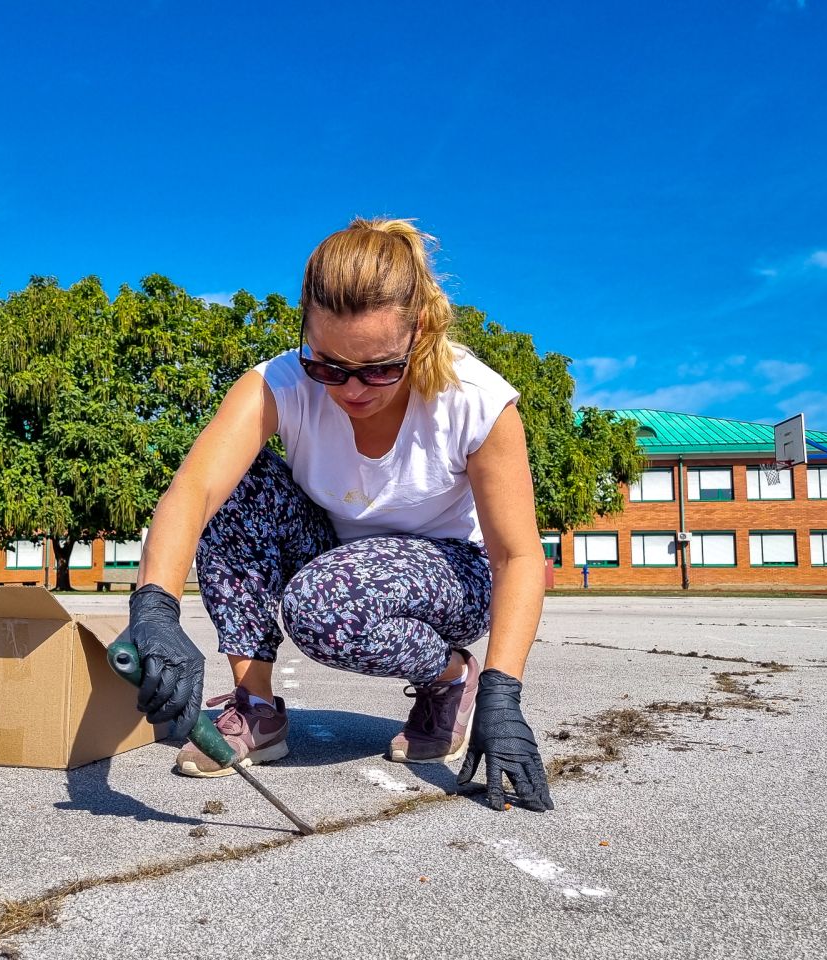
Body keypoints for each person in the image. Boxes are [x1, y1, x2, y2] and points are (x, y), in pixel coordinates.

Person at [127, 218, 553, 812]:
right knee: (237, 482)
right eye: (328, 366)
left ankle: (452, 679)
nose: (352, 389)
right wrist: (153, 608)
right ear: (306, 325)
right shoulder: (278, 384)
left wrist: (504, 693)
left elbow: (518, 555)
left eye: (380, 368)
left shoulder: (476, 399)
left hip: (456, 576)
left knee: (325, 605)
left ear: (421, 332)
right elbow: (193, 490)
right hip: (333, 555)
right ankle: (255, 705)